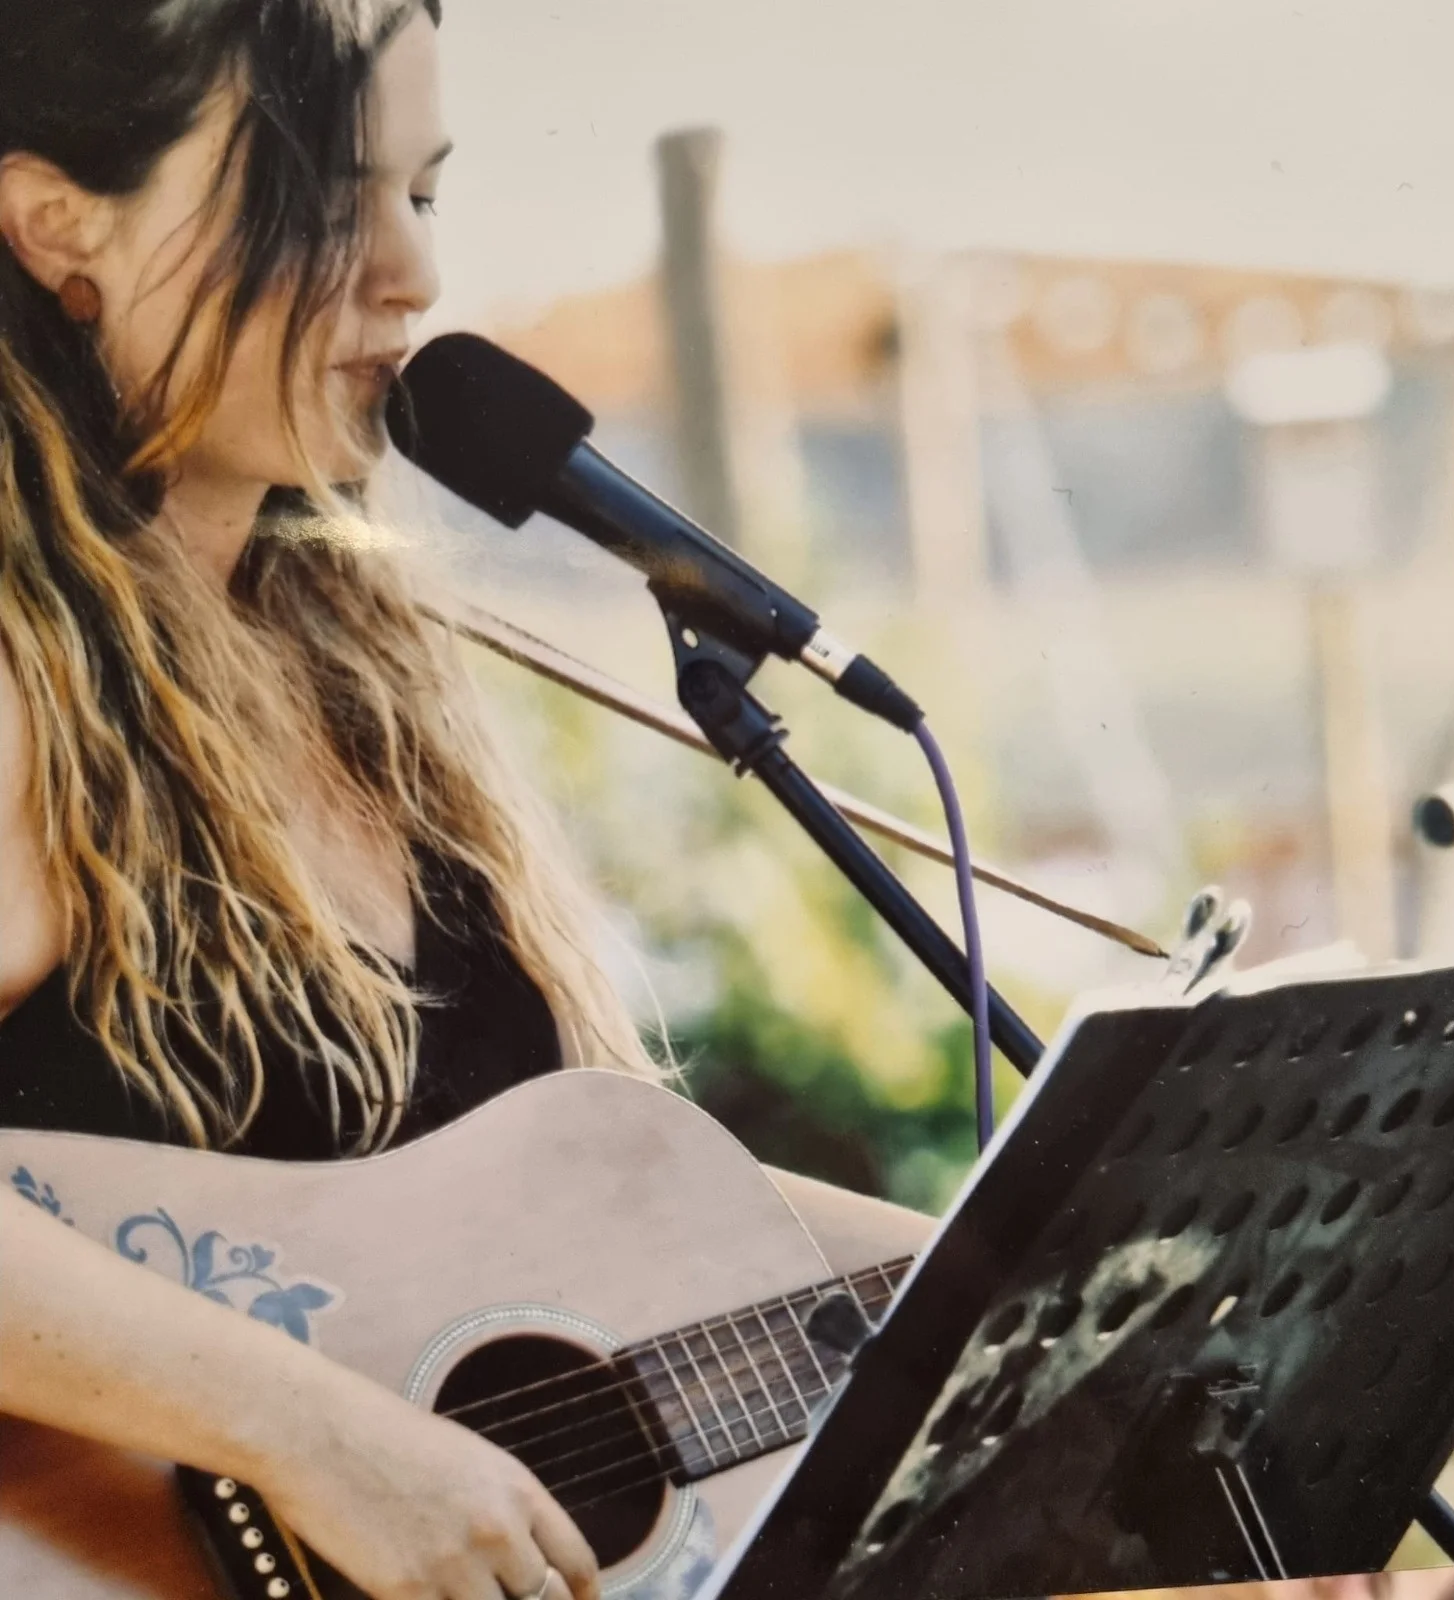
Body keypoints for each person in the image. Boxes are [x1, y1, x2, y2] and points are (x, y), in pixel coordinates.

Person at [0, 4, 932, 1599]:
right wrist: (314, 1438)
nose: (412, 276)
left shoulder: (368, 680)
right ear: (56, 227)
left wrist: (1035, 1263)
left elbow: (593, 1242)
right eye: (320, 193)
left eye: (421, 195)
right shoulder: (30, 689)